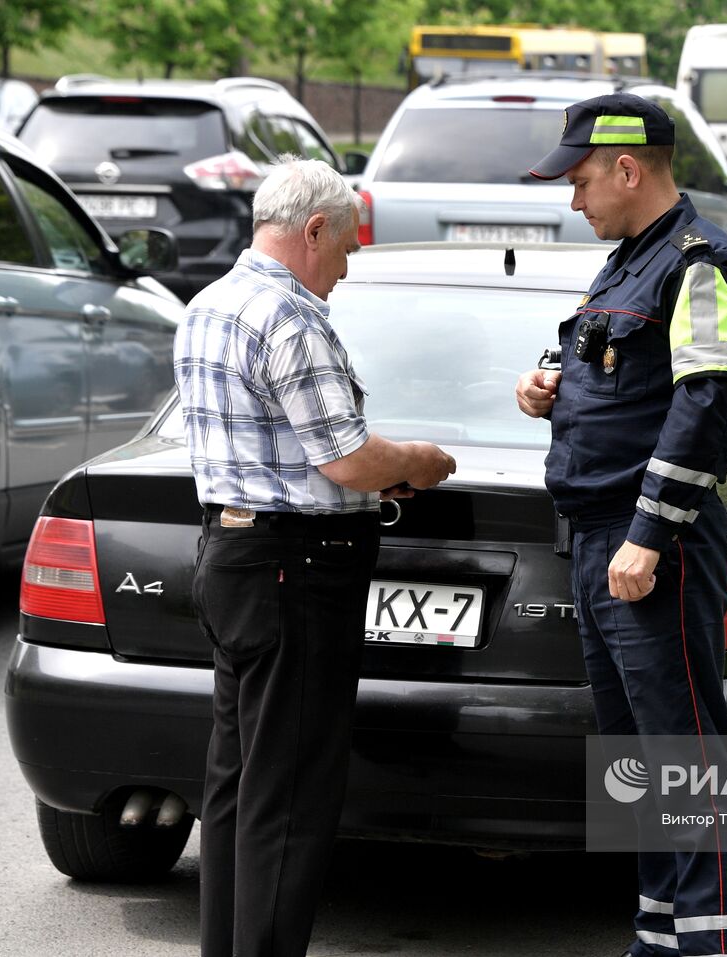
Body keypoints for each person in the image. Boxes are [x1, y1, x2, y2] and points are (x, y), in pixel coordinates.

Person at [174, 156, 456, 957]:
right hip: (296, 569)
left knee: (235, 785)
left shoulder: (208, 305)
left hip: (230, 557)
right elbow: (349, 461)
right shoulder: (289, 318)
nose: (347, 265)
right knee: (290, 795)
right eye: (347, 247)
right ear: (314, 230)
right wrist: (419, 461)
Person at [515, 94, 727, 957]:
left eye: (581, 181)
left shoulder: (701, 266)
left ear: (629, 169)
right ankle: (661, 938)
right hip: (599, 539)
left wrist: (649, 536)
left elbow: (706, 406)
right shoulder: (629, 262)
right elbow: (621, 376)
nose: (573, 200)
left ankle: (719, 946)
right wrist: (545, 387)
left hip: (652, 546)